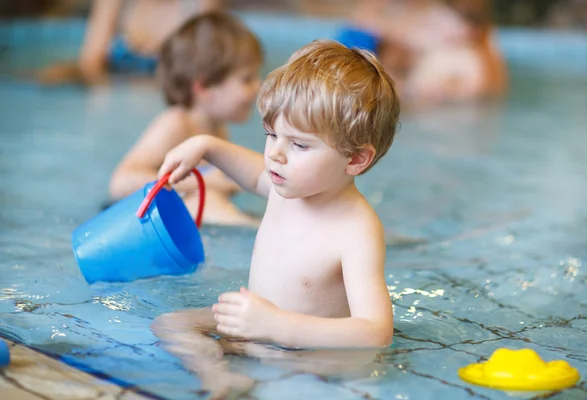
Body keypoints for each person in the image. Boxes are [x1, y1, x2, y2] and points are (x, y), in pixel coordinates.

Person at [151, 39, 400, 398]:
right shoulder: (289, 187)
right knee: (170, 324)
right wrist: (206, 146)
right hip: (254, 327)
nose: (275, 155)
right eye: (271, 135)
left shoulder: (356, 229)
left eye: (299, 145)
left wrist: (279, 327)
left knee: (308, 377)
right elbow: (252, 175)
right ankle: (218, 376)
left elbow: (376, 331)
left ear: (356, 159)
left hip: (308, 350)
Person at [109, 11, 263, 227]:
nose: (258, 87)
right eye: (247, 79)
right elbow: (120, 181)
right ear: (203, 87)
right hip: (132, 224)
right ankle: (254, 228)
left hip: (182, 219)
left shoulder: (217, 129)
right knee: (206, 200)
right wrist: (204, 183)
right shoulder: (176, 123)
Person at [339, 0, 506, 107]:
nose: (434, 26)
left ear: (467, 30)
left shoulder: (463, 60)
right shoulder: (476, 51)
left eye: (438, 23)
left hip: (434, 106)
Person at [37, 0, 222, 85]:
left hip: (169, 85)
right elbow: (91, 61)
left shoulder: (200, 4)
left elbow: (201, 69)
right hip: (117, 76)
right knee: (50, 75)